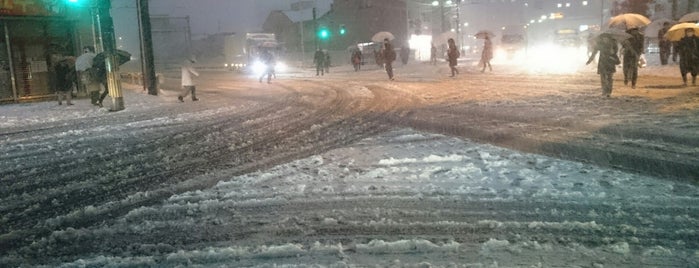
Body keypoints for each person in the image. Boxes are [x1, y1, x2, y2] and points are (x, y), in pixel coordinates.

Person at [587, 33, 620, 98]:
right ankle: (604, 91)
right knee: (603, 77)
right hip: (603, 62)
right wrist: (590, 60)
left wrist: (613, 52)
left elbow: (616, 51)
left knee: (609, 77)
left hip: (610, 61)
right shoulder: (600, 44)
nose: (605, 39)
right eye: (604, 38)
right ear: (602, 38)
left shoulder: (613, 43)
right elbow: (594, 52)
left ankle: (609, 91)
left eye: (606, 38)